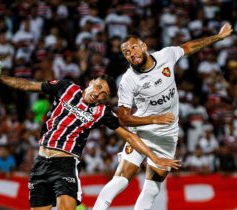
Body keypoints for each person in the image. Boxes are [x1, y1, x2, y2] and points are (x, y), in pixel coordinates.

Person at [93, 23, 233, 210]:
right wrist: (153, 119)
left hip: (168, 134)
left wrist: (218, 37)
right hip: (142, 131)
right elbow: (123, 118)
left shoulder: (165, 55)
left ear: (143, 46)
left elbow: (189, 47)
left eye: (133, 47)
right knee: (121, 180)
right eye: (126, 52)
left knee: (152, 189)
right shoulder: (128, 80)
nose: (131, 53)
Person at [0, 74, 180, 210]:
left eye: (104, 94)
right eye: (98, 87)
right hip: (41, 163)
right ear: (91, 81)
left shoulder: (102, 112)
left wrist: (155, 158)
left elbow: (130, 137)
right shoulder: (65, 87)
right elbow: (29, 85)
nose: (98, 93)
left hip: (65, 164)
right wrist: (0, 77)